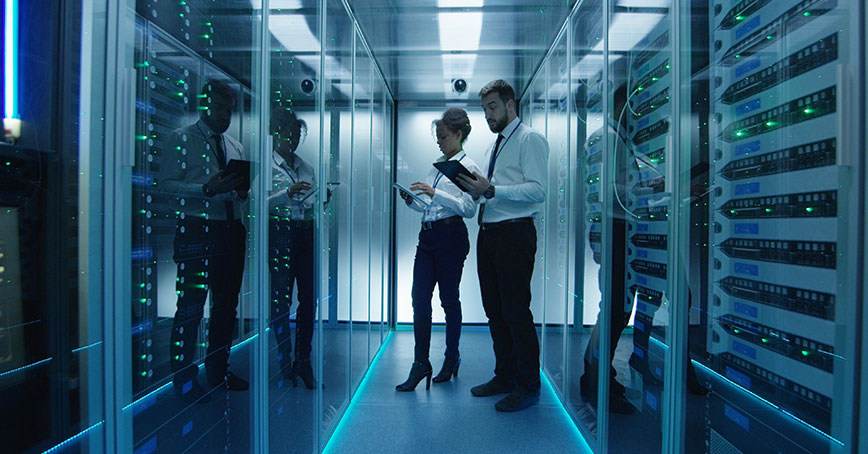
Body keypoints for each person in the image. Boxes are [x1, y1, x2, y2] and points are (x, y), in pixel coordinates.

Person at [457, 80, 549, 412]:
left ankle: (528, 385)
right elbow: (492, 188)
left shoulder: (530, 140)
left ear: (510, 105)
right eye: (484, 109)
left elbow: (538, 191)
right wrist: (476, 188)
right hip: (490, 233)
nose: (487, 115)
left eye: (492, 107)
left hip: (515, 234)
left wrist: (494, 190)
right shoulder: (493, 147)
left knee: (515, 312)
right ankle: (505, 375)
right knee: (494, 311)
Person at [163, 80, 249, 402]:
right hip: (197, 230)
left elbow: (239, 196)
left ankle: (218, 370)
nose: (225, 114)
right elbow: (166, 186)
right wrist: (205, 190)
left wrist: (241, 192)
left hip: (230, 231)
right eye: (219, 107)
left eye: (229, 108)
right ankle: (184, 379)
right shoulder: (181, 139)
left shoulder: (236, 146)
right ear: (204, 106)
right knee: (191, 306)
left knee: (226, 307)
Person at [395, 108, 481, 392]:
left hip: (451, 237)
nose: (439, 142)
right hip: (428, 236)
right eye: (437, 137)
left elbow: (469, 209)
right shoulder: (436, 166)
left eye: (443, 136)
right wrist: (413, 201)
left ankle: (451, 356)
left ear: (459, 134)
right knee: (419, 299)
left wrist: (436, 193)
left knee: (449, 300)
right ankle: (420, 363)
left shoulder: (468, 167)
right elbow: (429, 207)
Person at [268, 107, 319, 389]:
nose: (294, 141)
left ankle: (304, 359)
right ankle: (284, 358)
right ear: (277, 134)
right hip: (280, 233)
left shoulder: (306, 166)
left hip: (305, 232)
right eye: (290, 136)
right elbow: (255, 205)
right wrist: (285, 193)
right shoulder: (265, 165)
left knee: (308, 299)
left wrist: (319, 199)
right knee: (280, 300)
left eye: (298, 136)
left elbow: (311, 201)